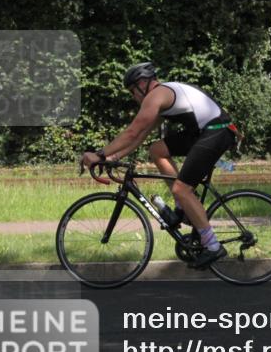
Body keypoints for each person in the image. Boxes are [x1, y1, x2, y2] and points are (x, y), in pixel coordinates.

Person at [80, 62, 240, 268]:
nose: (133, 97)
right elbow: (139, 137)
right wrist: (111, 158)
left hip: (217, 131)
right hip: (206, 132)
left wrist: (99, 154)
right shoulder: (162, 98)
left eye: (132, 91)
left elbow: (131, 131)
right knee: (157, 149)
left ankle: (213, 246)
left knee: (181, 189)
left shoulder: (156, 95)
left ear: (143, 83)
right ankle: (183, 209)